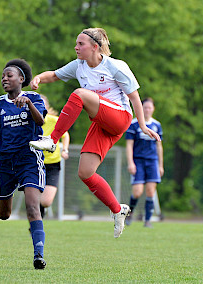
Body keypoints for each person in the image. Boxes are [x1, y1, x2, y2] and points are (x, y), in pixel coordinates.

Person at [29, 27, 159, 238]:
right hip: (102, 122)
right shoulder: (78, 66)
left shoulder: (115, 66)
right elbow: (54, 75)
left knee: (79, 94)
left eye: (81, 44)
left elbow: (135, 97)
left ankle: (52, 140)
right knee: (85, 172)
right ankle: (118, 210)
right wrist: (39, 79)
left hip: (119, 118)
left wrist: (142, 125)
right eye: (76, 43)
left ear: (95, 47)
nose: (76, 47)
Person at [0, 59, 48, 269]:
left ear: (21, 79)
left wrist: (28, 103)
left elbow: (41, 122)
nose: (4, 79)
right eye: (2, 76)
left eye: (9, 75)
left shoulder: (34, 98)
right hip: (6, 162)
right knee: (4, 214)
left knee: (32, 206)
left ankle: (39, 255)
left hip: (29, 159)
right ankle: (3, 202)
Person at [125, 98, 163, 228]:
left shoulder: (157, 125)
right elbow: (129, 145)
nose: (147, 110)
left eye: (149, 108)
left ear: (153, 109)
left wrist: (161, 165)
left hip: (152, 161)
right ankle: (130, 214)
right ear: (141, 108)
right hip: (138, 161)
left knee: (151, 191)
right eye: (145, 107)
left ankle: (147, 220)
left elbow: (159, 146)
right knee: (137, 191)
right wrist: (130, 163)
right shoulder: (134, 125)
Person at [38, 94, 70, 219]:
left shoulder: (54, 120)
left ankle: (39, 212)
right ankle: (36, 222)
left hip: (52, 164)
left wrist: (65, 150)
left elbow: (65, 135)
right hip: (33, 164)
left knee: (46, 201)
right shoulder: (28, 123)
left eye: (42, 105)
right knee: (32, 197)